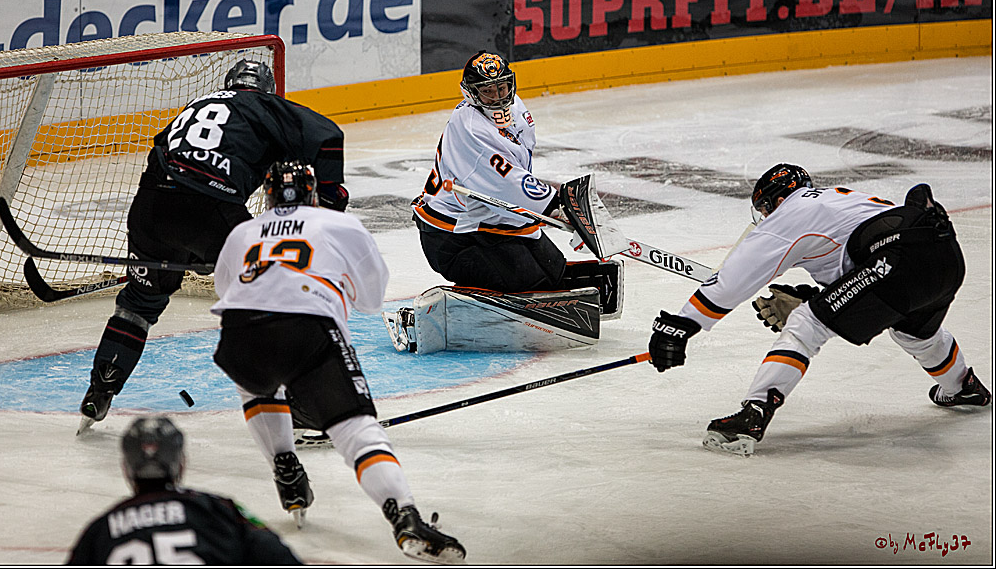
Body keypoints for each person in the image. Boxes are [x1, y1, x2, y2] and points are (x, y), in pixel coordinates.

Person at [209, 160, 466, 563]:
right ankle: (405, 516)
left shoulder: (242, 232)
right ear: (313, 193)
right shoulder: (338, 224)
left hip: (239, 334)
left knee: (259, 384)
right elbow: (372, 299)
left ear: (268, 195)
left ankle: (286, 469)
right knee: (354, 430)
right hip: (308, 328)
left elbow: (226, 289)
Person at [78, 59, 349, 433]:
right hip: (209, 211)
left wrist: (192, 249)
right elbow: (329, 134)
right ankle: (303, 411)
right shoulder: (266, 106)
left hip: (150, 209)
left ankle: (100, 390)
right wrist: (332, 201)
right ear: (267, 90)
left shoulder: (196, 105)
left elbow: (160, 156)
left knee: (139, 304)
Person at [647, 163, 991, 456]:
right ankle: (963, 386)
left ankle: (753, 414)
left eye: (766, 208)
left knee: (806, 324)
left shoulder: (790, 212)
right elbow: (864, 258)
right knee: (914, 331)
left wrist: (681, 324)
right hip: (945, 258)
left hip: (897, 262)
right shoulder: (838, 200)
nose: (766, 217)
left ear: (779, 198)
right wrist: (816, 294)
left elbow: (732, 280)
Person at [409, 50, 621, 309]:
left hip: (490, 219)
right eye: (488, 91)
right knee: (526, 279)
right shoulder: (470, 128)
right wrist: (555, 205)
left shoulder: (515, 108)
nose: (498, 96)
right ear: (471, 94)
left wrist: (552, 207)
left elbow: (518, 165)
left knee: (552, 269)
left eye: (502, 87)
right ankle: (464, 307)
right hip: (453, 234)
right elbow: (507, 182)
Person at [67, 416, 302, 564]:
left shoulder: (100, 531)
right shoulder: (218, 511)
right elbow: (281, 558)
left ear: (126, 468)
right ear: (181, 463)